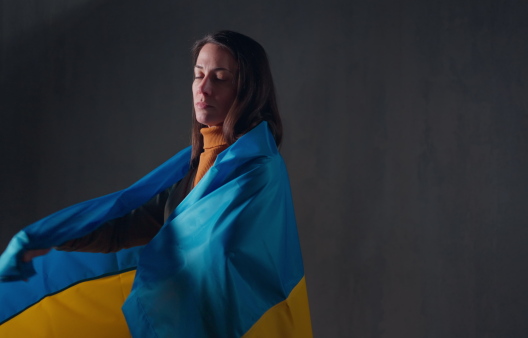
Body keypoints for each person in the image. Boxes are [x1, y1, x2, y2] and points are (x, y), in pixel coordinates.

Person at [0, 30, 312, 337]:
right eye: (198, 75)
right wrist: (55, 236)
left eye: (220, 78)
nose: (203, 89)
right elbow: (126, 228)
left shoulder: (258, 171)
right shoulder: (192, 166)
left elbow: (221, 264)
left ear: (248, 90)